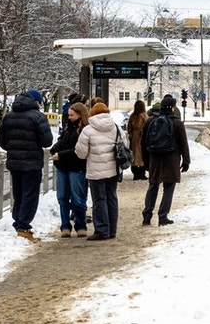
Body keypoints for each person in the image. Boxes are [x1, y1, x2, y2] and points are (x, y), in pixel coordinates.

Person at [0, 90, 53, 239]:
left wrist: (13, 149)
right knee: (30, 195)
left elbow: (0, 139)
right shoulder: (38, 117)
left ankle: (18, 222)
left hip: (14, 163)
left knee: (19, 194)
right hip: (32, 163)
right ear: (36, 102)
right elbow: (47, 141)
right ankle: (23, 226)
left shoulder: (8, 116)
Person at [76, 99, 123, 241]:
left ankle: (102, 230)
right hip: (113, 169)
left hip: (95, 171)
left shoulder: (88, 130)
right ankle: (112, 230)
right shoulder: (116, 127)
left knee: (99, 200)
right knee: (112, 198)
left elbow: (81, 153)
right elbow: (124, 145)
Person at [142, 93, 191, 227]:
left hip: (155, 159)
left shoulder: (150, 121)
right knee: (168, 188)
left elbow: (143, 143)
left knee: (153, 186)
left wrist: (146, 161)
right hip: (172, 159)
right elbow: (183, 144)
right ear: (172, 108)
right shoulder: (177, 123)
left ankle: (147, 215)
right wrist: (186, 161)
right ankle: (163, 216)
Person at [48, 101, 90, 238]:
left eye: (72, 115)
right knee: (62, 197)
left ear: (80, 114)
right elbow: (61, 142)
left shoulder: (84, 130)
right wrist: (54, 149)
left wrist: (60, 155)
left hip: (77, 167)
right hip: (63, 166)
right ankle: (65, 225)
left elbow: (78, 150)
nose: (69, 117)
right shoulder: (68, 128)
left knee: (78, 198)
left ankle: (81, 224)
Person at [127, 99, 149, 180]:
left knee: (135, 156)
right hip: (142, 138)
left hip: (134, 138)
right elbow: (147, 126)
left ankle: (135, 174)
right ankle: (142, 173)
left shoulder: (133, 116)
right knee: (142, 155)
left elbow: (129, 127)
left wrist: (131, 134)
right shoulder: (144, 116)